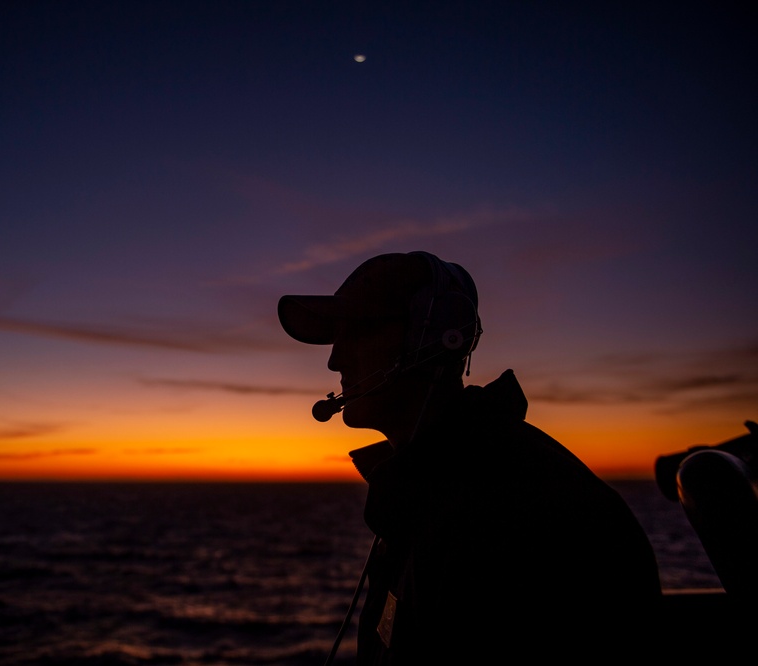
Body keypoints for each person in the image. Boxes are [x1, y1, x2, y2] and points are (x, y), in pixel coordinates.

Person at [278, 251, 661, 661]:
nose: (335, 359)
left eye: (357, 332)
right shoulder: (427, 491)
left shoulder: (526, 513)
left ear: (435, 332)